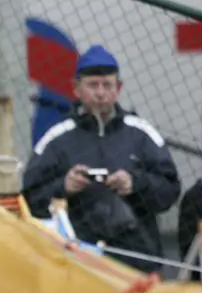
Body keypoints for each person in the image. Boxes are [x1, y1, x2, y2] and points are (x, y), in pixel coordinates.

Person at [22, 45, 181, 272]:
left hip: (138, 261)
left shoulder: (141, 133)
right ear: (76, 88)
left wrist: (134, 184)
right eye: (92, 85)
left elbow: (170, 191)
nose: (100, 93)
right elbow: (29, 198)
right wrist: (64, 186)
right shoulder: (57, 139)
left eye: (107, 85)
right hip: (74, 261)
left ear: (119, 88)